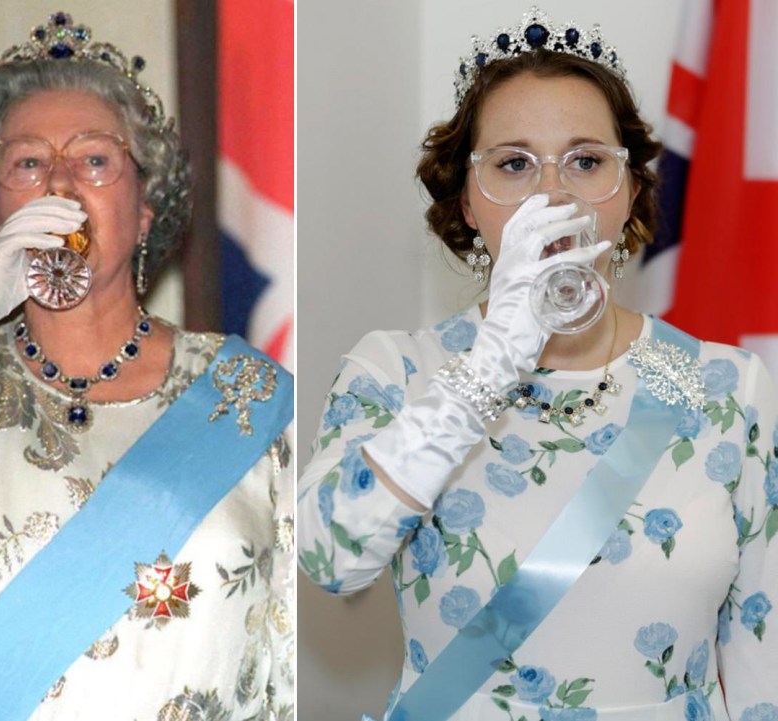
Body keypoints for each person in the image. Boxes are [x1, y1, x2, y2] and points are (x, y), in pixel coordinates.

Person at [297, 7, 778, 721]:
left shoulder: (724, 388)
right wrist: (496, 356)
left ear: (631, 192)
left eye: (586, 161)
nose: (553, 195)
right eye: (514, 164)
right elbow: (329, 561)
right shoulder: (398, 370)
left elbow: (762, 662)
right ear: (466, 200)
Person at [0, 12, 293, 721]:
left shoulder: (247, 396)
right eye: (28, 163)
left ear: (144, 208)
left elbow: (290, 664)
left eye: (96, 159)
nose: (61, 185)